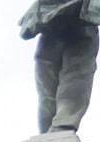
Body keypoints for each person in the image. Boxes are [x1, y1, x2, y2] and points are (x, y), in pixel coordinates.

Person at [25, 2, 100, 134]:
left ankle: (58, 127)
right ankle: (59, 127)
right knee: (68, 76)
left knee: (63, 77)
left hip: (67, 21)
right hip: (62, 22)